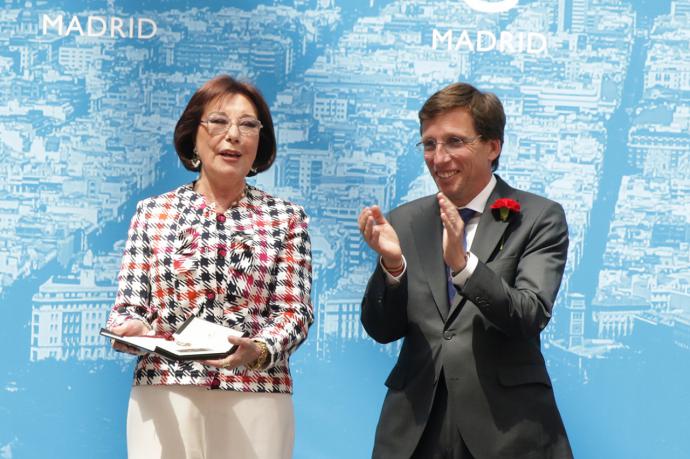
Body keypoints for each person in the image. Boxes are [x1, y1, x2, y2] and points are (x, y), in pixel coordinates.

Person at [358, 82, 573, 459]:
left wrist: (463, 266)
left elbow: (528, 314)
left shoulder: (538, 217)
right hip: (414, 428)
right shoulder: (405, 221)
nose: (439, 158)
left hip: (506, 430)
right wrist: (392, 267)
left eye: (455, 142)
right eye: (429, 144)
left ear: (493, 147)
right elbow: (381, 330)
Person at [106, 75, 313, 459]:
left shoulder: (286, 218)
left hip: (256, 392)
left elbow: (295, 312)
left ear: (259, 142)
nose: (233, 135)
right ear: (193, 136)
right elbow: (130, 305)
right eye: (218, 121)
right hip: (165, 391)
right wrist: (131, 328)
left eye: (248, 124)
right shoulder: (154, 213)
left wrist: (261, 348)